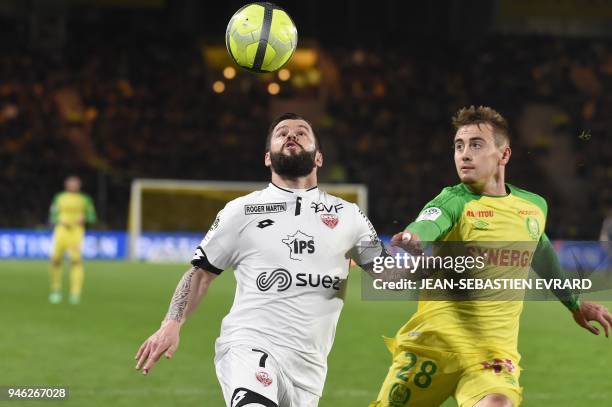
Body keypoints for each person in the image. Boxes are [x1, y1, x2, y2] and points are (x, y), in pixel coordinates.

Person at [135, 113, 385, 407]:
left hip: (309, 370)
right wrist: (171, 324)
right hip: (248, 347)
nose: (291, 135)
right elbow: (200, 273)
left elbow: (392, 278)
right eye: (282, 133)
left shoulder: (349, 216)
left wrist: (434, 258)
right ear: (268, 158)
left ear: (319, 158)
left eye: (301, 132)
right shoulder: (241, 211)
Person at [370, 106, 612, 407]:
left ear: (504, 155)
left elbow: (542, 252)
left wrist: (575, 304)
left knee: (498, 403)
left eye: (476, 145)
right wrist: (412, 237)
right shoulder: (453, 200)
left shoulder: (533, 207)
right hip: (434, 347)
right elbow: (428, 223)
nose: (464, 154)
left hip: (492, 354)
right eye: (459, 146)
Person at [48, 175, 97, 304]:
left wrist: (85, 218)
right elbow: (52, 214)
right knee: (56, 260)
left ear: (79, 185)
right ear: (66, 184)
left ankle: (75, 293)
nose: (73, 185)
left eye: (75, 183)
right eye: (71, 183)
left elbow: (91, 215)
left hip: (76, 231)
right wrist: (59, 220)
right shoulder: (59, 197)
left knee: (75, 261)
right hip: (61, 230)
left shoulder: (85, 199)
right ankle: (56, 290)